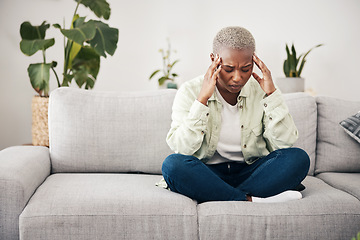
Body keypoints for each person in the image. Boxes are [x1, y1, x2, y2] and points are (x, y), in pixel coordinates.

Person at [161, 26, 310, 203]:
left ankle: (222, 195)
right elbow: (182, 148)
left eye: (246, 69)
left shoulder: (262, 90)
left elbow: (285, 143)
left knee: (298, 158)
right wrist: (202, 100)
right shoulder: (190, 91)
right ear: (213, 60)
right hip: (207, 172)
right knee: (172, 165)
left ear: (254, 62)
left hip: (252, 171)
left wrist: (272, 95)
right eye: (229, 69)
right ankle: (249, 199)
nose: (238, 78)